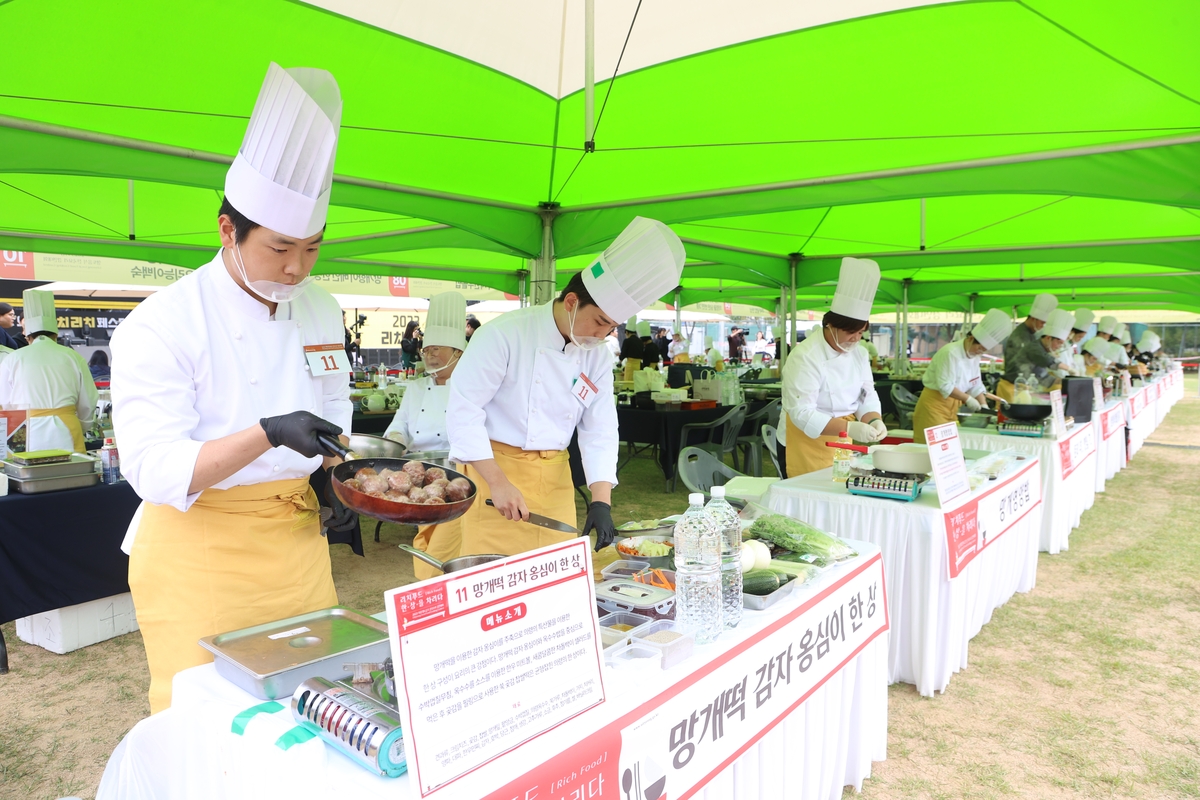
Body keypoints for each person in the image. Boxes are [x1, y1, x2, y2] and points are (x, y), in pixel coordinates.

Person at [110, 63, 356, 713]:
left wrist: (335, 475)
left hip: (296, 544)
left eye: (313, 247)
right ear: (228, 229)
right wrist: (268, 433)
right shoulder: (163, 323)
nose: (298, 267)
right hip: (199, 552)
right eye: (279, 249)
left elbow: (333, 410)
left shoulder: (321, 307)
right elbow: (153, 469)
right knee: (210, 723)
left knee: (312, 703)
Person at [447, 217, 685, 558]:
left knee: (555, 574)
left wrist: (601, 501)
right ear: (571, 302)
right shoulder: (504, 334)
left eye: (612, 327)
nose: (603, 335)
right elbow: (463, 409)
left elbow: (600, 428)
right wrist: (497, 483)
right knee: (496, 575)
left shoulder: (596, 355)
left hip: (555, 476)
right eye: (600, 321)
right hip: (494, 471)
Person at [384, 292, 467, 580]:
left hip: (457, 477)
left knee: (444, 547)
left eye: (436, 348)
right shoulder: (416, 387)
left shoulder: (471, 387)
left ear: (458, 352)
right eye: (426, 348)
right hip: (421, 476)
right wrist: (394, 441)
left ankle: (435, 585)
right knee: (425, 541)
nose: (429, 354)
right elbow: (400, 426)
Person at [780, 258, 886, 477]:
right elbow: (801, 411)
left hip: (841, 438)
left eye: (861, 333)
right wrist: (849, 428)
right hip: (804, 440)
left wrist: (874, 419)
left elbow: (866, 393)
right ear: (831, 324)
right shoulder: (805, 356)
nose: (856, 339)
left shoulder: (860, 353)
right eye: (850, 333)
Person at [0, 289, 98, 452]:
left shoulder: (13, 359)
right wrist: (83, 426)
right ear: (55, 334)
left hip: (26, 434)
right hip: (68, 430)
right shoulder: (73, 357)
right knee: (72, 475)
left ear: (28, 337)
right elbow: (89, 402)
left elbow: (5, 405)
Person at [910, 309, 1011, 443]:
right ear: (970, 339)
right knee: (930, 448)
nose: (980, 352)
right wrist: (967, 399)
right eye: (979, 348)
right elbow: (945, 386)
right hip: (934, 406)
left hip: (953, 408)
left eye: (984, 350)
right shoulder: (950, 353)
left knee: (948, 450)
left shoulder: (974, 356)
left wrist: (984, 405)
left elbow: (975, 384)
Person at [1000, 308, 1075, 397]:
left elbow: (1042, 376)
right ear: (1048, 338)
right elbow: (1047, 359)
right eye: (1059, 343)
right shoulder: (1034, 347)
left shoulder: (1041, 348)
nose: (1059, 347)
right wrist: (1069, 369)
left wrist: (1064, 381)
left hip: (1023, 389)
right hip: (1010, 388)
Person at [997, 293, 1058, 400]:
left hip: (1022, 387)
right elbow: (1023, 366)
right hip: (1013, 386)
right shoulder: (1020, 336)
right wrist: (1049, 381)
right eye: (1042, 322)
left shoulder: (1031, 334)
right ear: (1033, 318)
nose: (1042, 326)